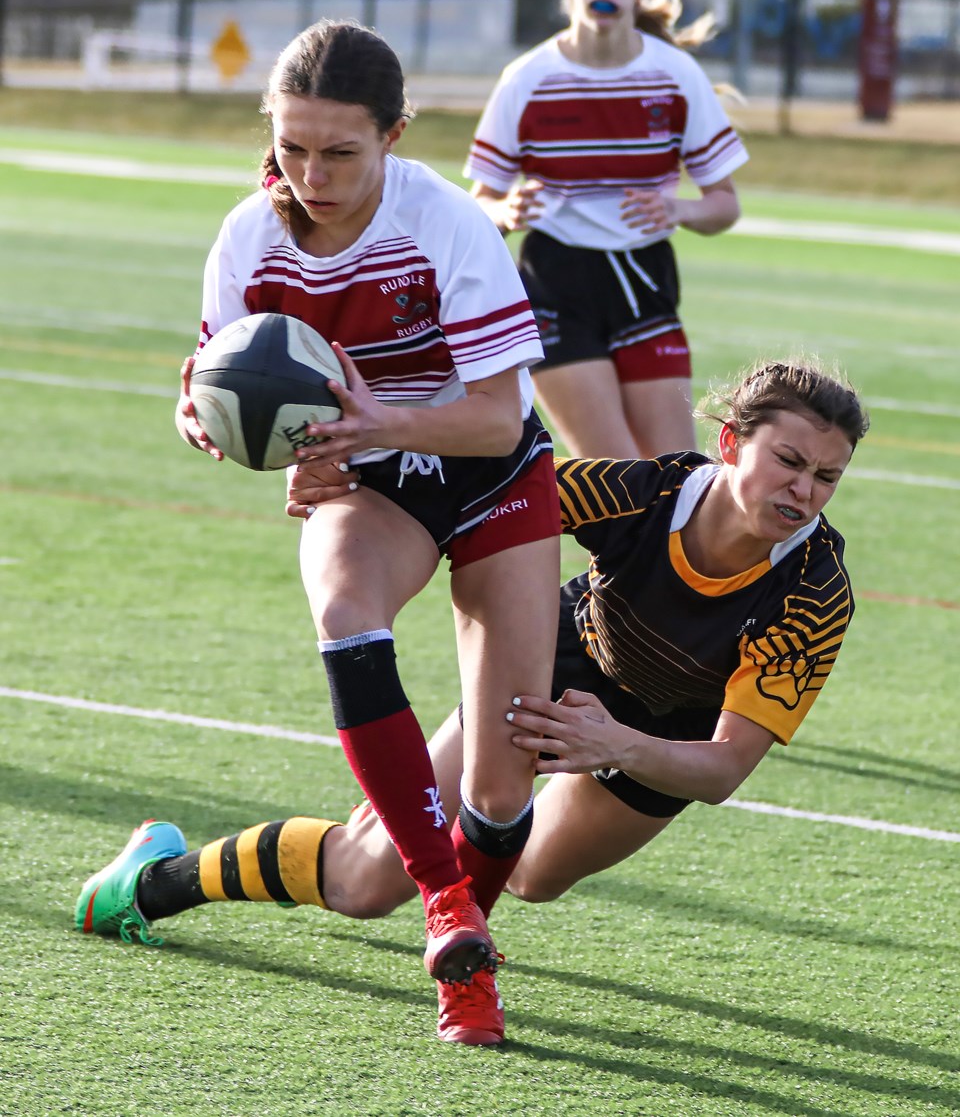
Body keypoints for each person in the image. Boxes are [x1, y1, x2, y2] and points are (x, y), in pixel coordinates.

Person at [77, 359, 869, 1038]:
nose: (802, 490)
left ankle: (463, 897)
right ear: (730, 443)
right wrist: (344, 471)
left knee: (528, 874)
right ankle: (157, 876)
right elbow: (483, 503)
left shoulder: (814, 591)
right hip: (560, 655)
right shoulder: (645, 492)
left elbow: (725, 766)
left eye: (825, 476)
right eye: (788, 460)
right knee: (366, 879)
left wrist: (615, 744)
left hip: (665, 735)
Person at [76, 20, 564, 1048]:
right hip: (370, 482)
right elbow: (216, 381)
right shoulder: (251, 233)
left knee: (504, 774)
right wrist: (211, 421)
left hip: (492, 475)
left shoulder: (445, 223)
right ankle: (453, 926)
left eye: (340, 151)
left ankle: (424, 897)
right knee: (344, 606)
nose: (313, 173)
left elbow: (491, 413)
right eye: (293, 147)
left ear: (394, 135)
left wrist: (376, 419)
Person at [465, 0, 749, 460]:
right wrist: (505, 211)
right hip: (554, 283)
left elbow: (725, 205)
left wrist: (678, 210)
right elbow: (477, 205)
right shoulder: (527, 79)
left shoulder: (675, 75)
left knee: (676, 478)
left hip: (645, 279)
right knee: (618, 489)